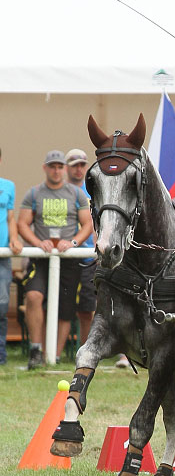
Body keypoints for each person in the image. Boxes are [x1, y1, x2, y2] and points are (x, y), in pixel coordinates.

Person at [18, 149, 92, 369]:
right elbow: (22, 223)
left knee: (65, 308)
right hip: (41, 258)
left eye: (60, 167)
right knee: (33, 296)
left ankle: (55, 357)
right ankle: (36, 350)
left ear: (64, 169)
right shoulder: (34, 193)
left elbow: (87, 224)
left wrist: (75, 242)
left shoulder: (76, 194)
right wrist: (37, 242)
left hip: (69, 259)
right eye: (53, 166)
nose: (57, 170)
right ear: (45, 168)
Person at [65, 148, 96, 346]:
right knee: (63, 306)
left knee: (88, 308)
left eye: (82, 165)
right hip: (67, 255)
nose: (79, 169)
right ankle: (52, 353)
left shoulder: (94, 189)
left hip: (91, 255)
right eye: (74, 165)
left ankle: (85, 349)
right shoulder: (61, 189)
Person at [0, 148, 23, 364]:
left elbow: (10, 217)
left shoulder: (8, 186)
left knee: (2, 303)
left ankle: (1, 356)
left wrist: (14, 239)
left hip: (2, 257)